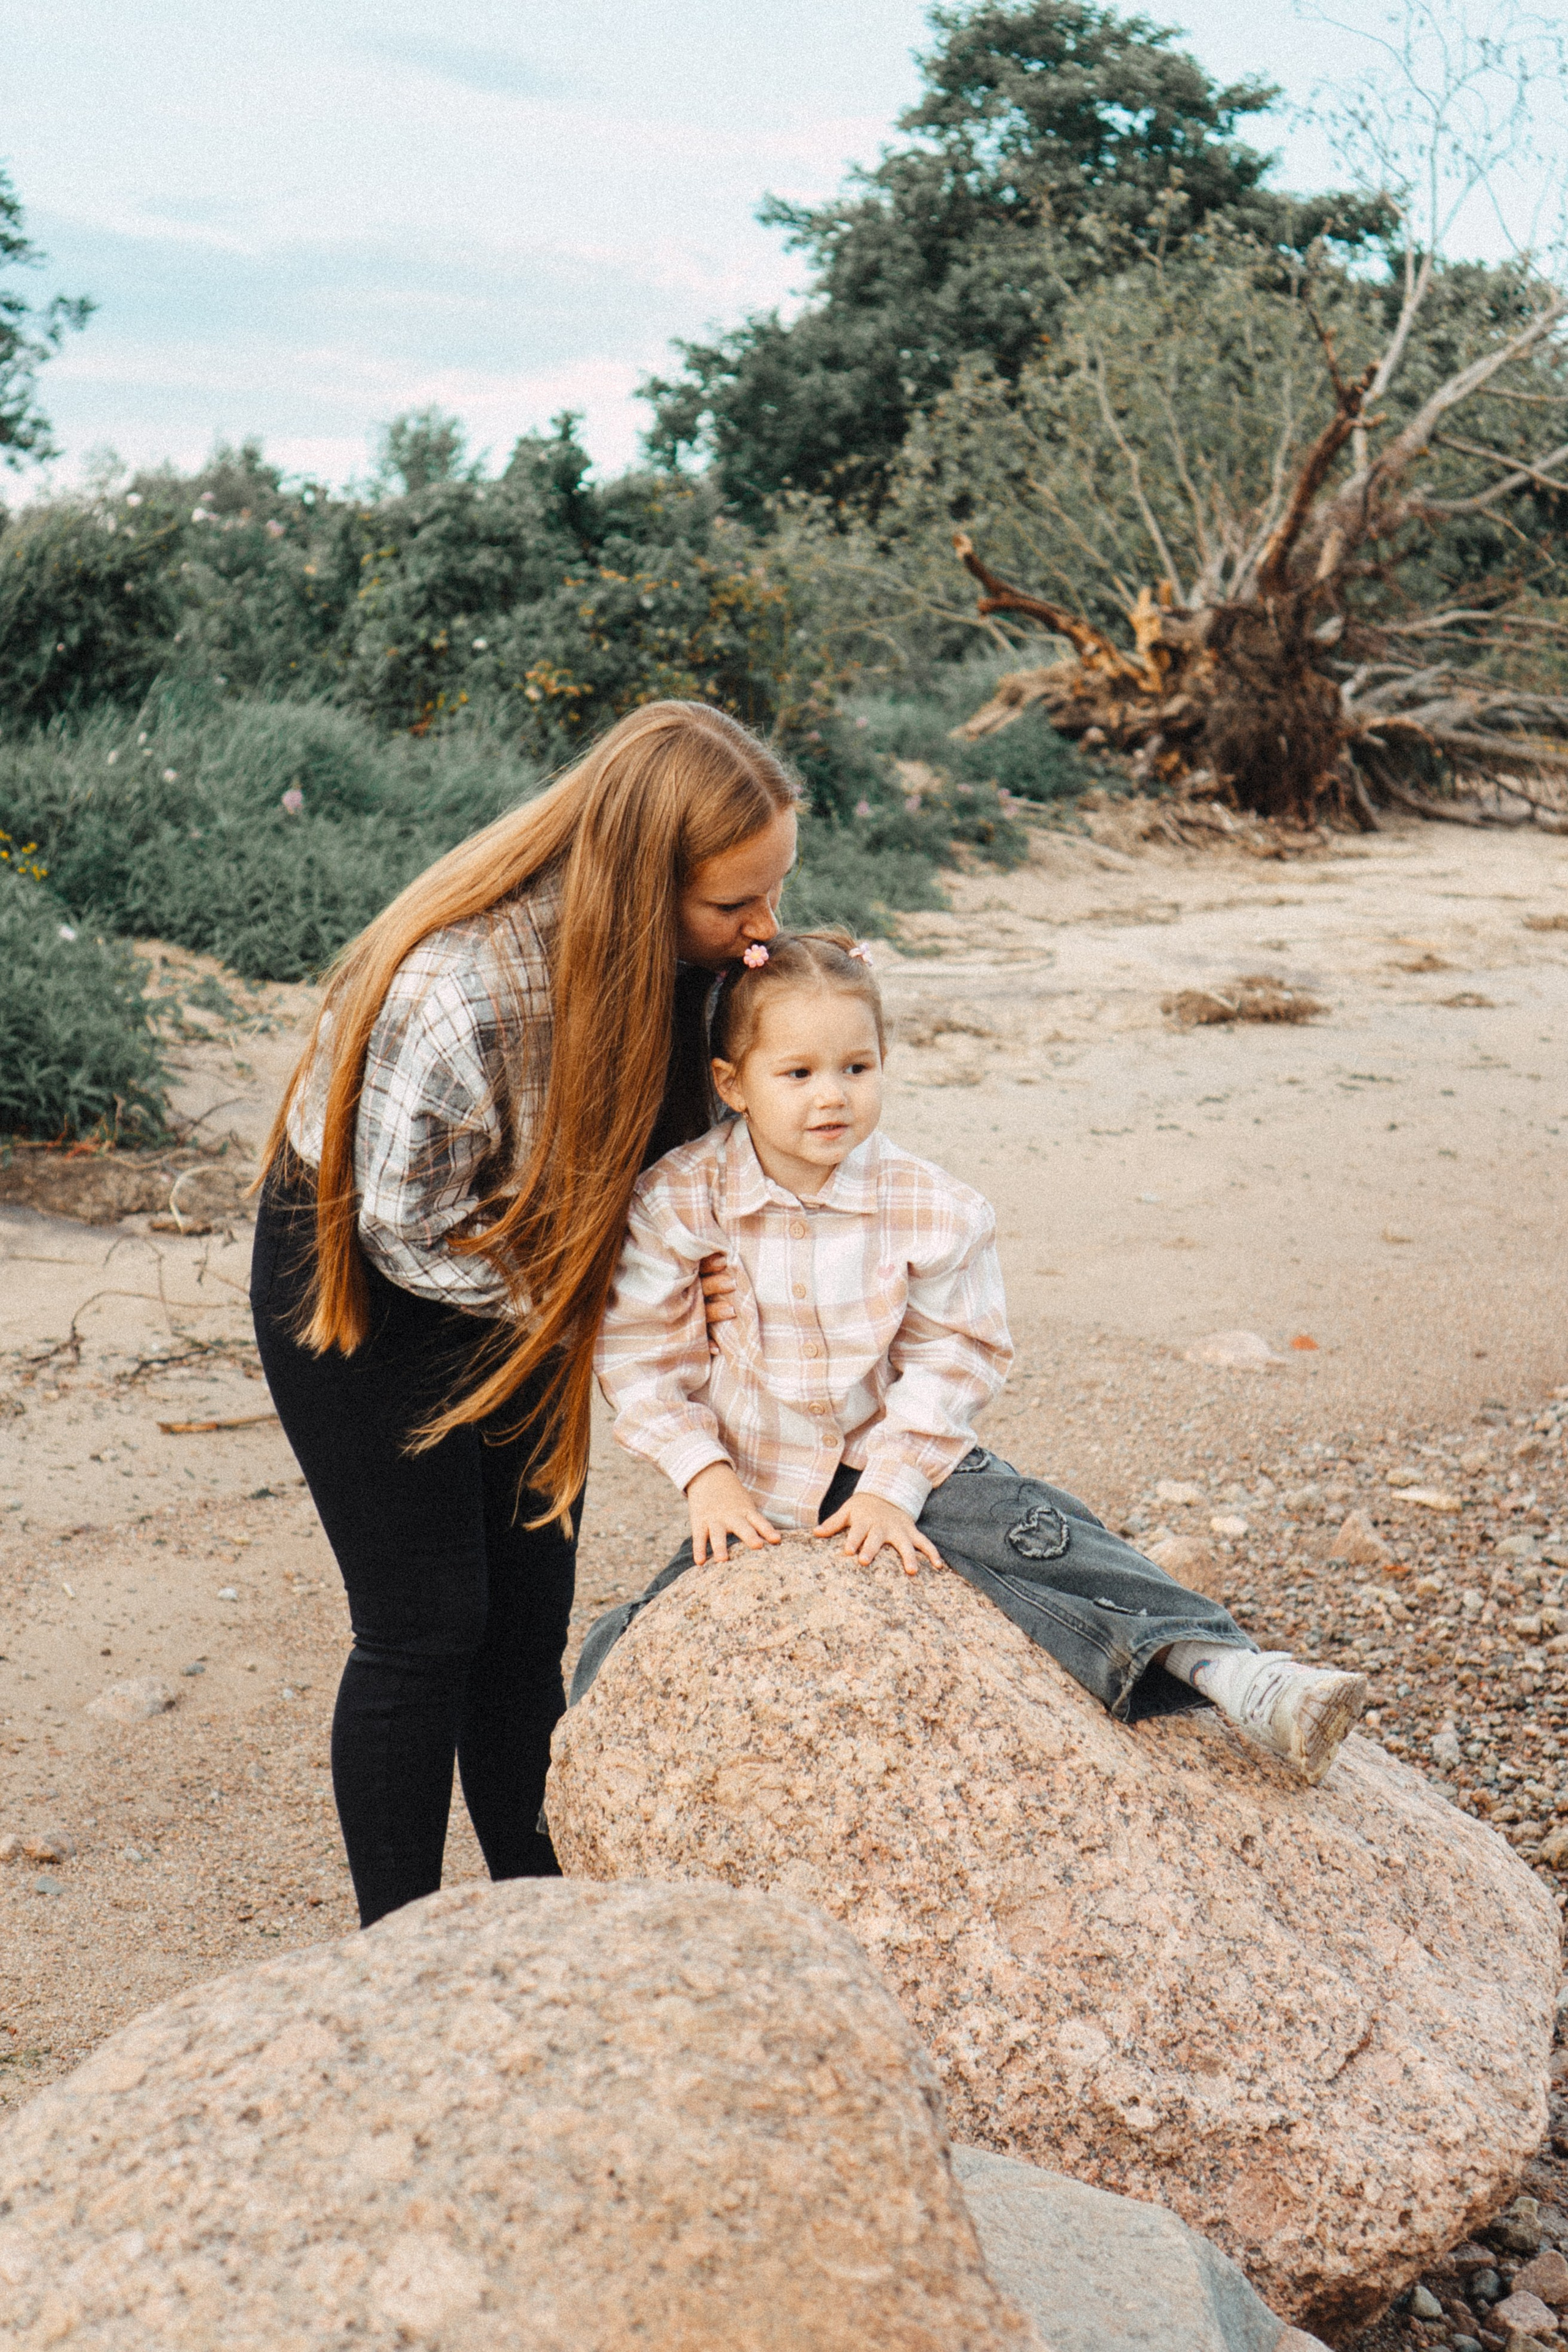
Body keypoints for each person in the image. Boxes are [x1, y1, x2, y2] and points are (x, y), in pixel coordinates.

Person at [251, 701, 799, 1926]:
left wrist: (794, 1011)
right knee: (425, 1623)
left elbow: (724, 1126)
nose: (764, 931)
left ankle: (537, 1929)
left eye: (776, 896)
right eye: (734, 908)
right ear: (642, 880)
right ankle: (401, 1953)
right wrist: (617, 1300)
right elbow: (406, 1231)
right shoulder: (469, 986)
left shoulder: (699, 961)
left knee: (525, 1626)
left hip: (541, 1254)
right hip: (365, 1269)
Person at [584, 930, 1370, 1783]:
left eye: (857, 1068)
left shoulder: (933, 1206)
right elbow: (640, 1356)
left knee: (1037, 1540)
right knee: (636, 1639)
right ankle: (580, 1811)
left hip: (904, 1459)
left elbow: (956, 1355)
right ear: (732, 1084)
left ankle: (1229, 1671)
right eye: (798, 1073)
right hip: (755, 1482)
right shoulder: (681, 1200)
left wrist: (893, 1486)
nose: (832, 1097)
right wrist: (705, 1476)